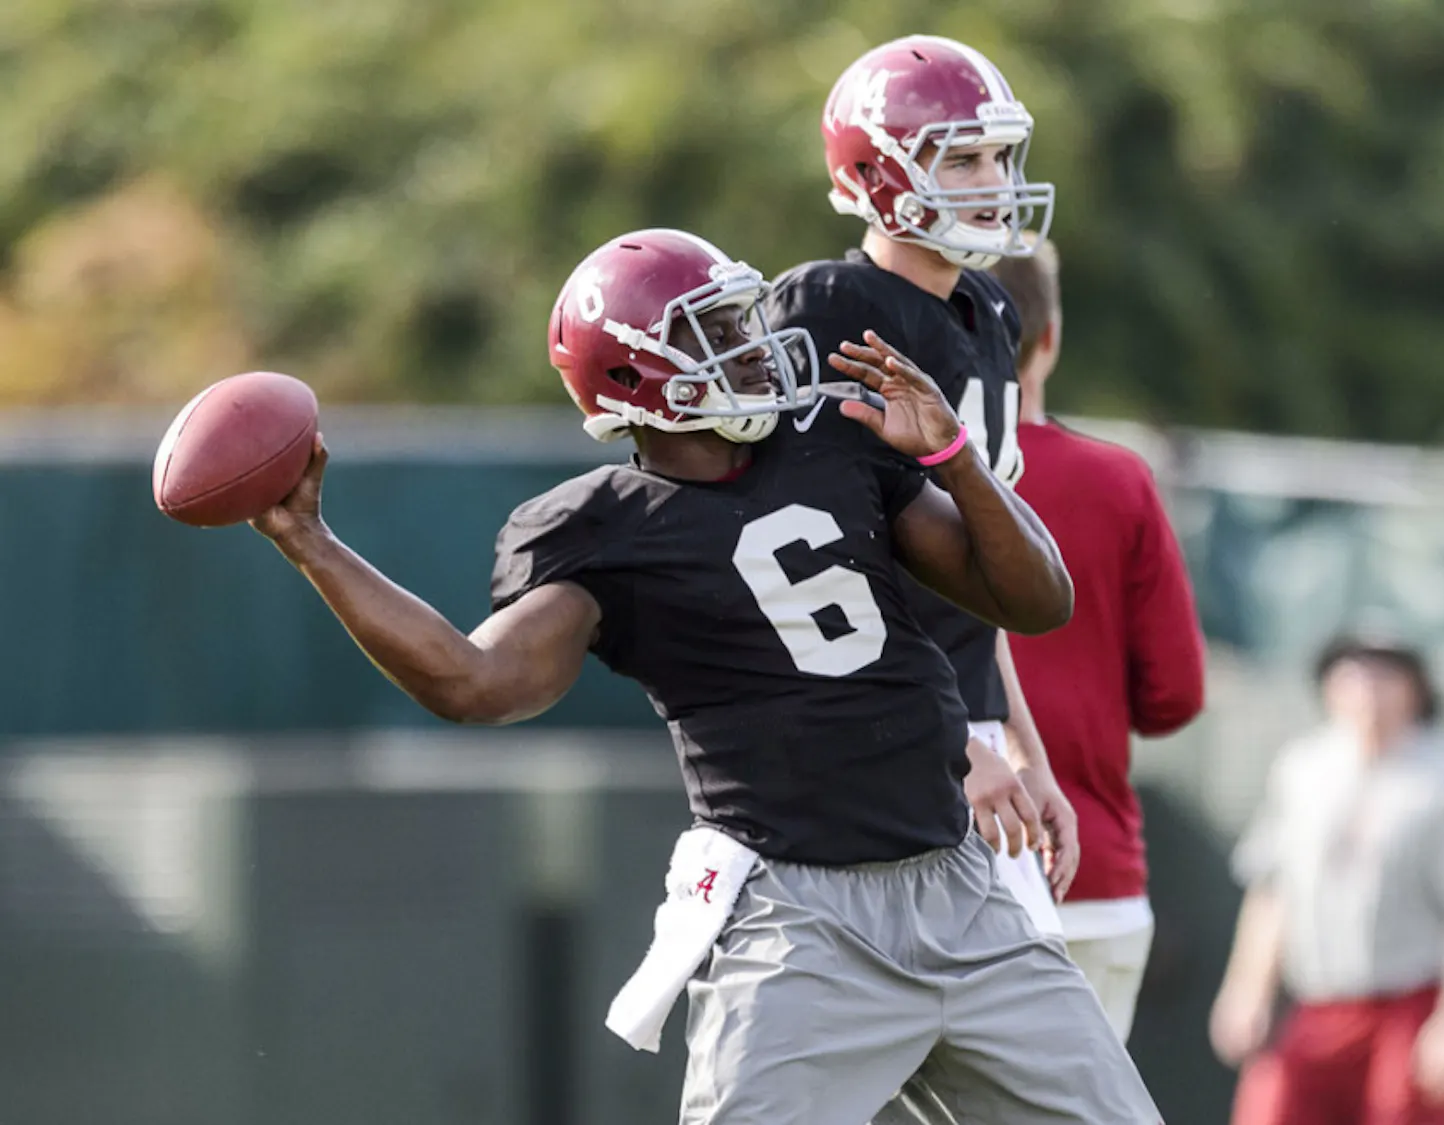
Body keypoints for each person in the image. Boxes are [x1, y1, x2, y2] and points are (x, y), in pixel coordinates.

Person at [248, 227, 1162, 1123]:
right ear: (637, 375)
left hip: (964, 888)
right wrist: (314, 547)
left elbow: (1036, 600)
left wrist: (953, 458)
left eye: (744, 318)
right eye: (718, 331)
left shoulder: (835, 440)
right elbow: (474, 680)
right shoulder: (606, 529)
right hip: (802, 925)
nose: (755, 345)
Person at [765, 34, 1078, 927]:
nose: (994, 180)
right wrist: (952, 743)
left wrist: (1026, 749)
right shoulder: (833, 308)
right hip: (872, 729)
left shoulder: (989, 309)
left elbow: (982, 570)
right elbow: (836, 558)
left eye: (999, 156)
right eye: (964, 158)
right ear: (878, 173)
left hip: (961, 731)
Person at [991, 235, 1206, 1040]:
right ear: (1048, 339)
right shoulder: (1116, 479)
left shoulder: (884, 475)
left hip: (927, 884)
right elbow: (1176, 693)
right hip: (1092, 873)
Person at [1210, 634, 1444, 1125]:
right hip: (1319, 1005)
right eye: (1354, 673)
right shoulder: (1303, 769)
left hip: (1408, 1007)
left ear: (1415, 689)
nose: (1367, 689)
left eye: (1384, 674)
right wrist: (1247, 989)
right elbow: (1273, 893)